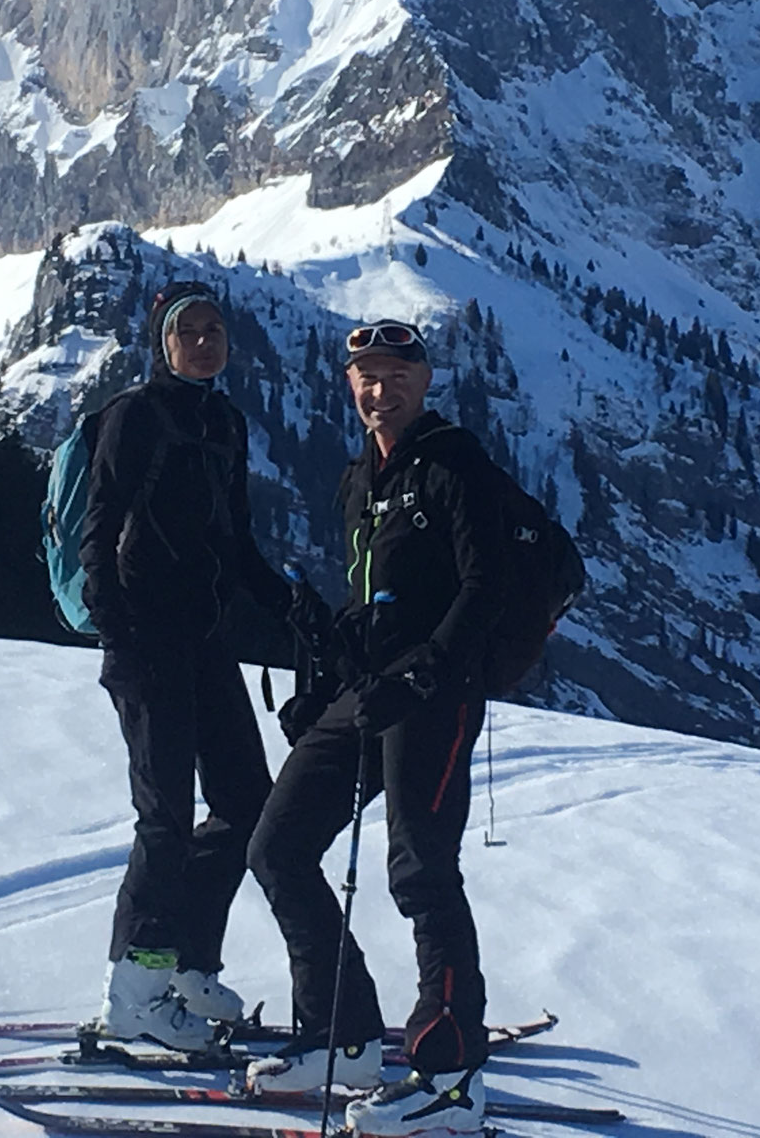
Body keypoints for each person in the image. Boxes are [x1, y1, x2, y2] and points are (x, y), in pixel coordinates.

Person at [245, 319, 506, 1136]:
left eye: (396, 373)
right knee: (277, 846)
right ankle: (343, 1037)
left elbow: (487, 584)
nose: (378, 388)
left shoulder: (454, 464)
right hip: (368, 692)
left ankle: (452, 1079)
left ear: (424, 383)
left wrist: (427, 671)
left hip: (436, 694)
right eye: (365, 375)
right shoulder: (362, 477)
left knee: (421, 870)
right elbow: (365, 607)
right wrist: (318, 689)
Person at [81, 280, 294, 1050]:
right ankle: (132, 991)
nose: (204, 342)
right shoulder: (135, 416)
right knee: (164, 818)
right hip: (145, 642)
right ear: (162, 342)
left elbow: (236, 547)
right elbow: (98, 529)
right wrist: (118, 631)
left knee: (246, 803)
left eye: (214, 330)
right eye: (187, 331)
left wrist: (296, 611)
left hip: (204, 643)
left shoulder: (224, 422)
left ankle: (187, 963)